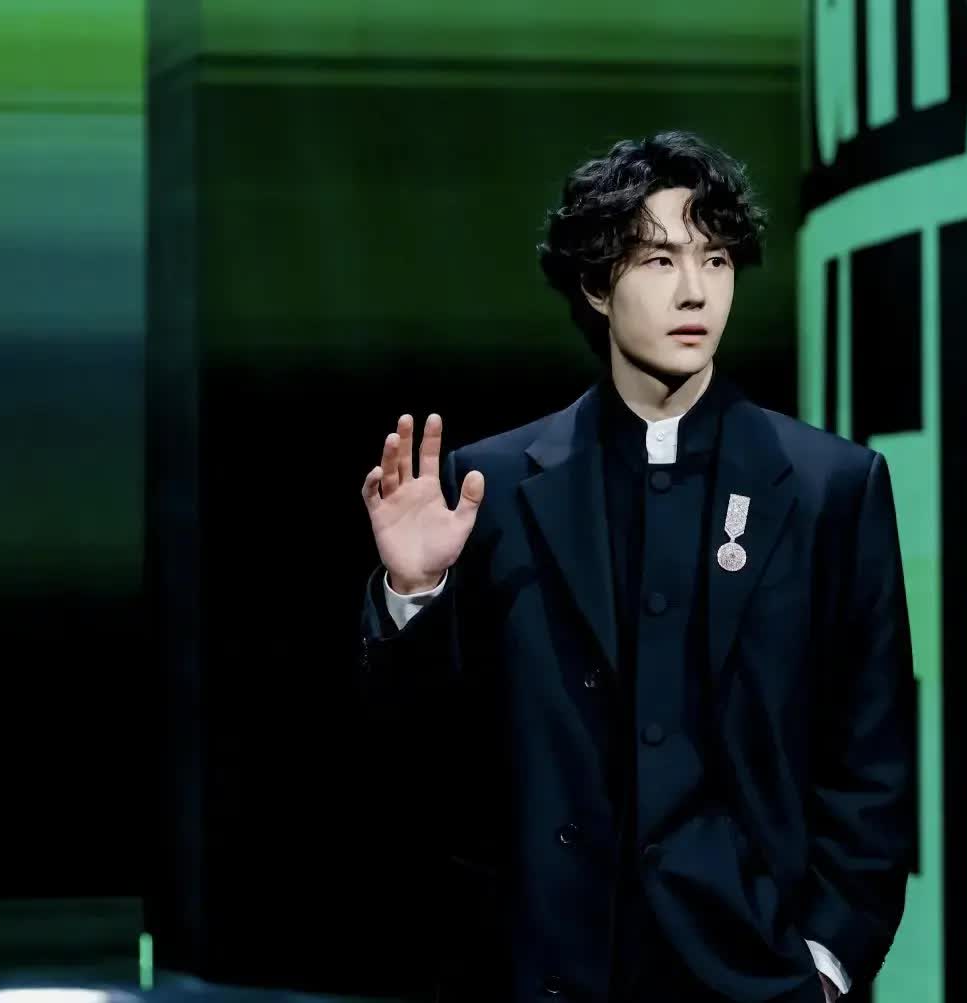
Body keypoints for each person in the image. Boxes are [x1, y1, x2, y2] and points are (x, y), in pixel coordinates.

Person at [357, 131, 915, 1003]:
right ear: (595, 283)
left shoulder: (830, 488)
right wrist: (413, 594)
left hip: (755, 976)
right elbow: (423, 763)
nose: (695, 290)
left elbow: (873, 759)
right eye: (659, 259)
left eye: (716, 258)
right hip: (551, 969)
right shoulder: (491, 488)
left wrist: (828, 962)